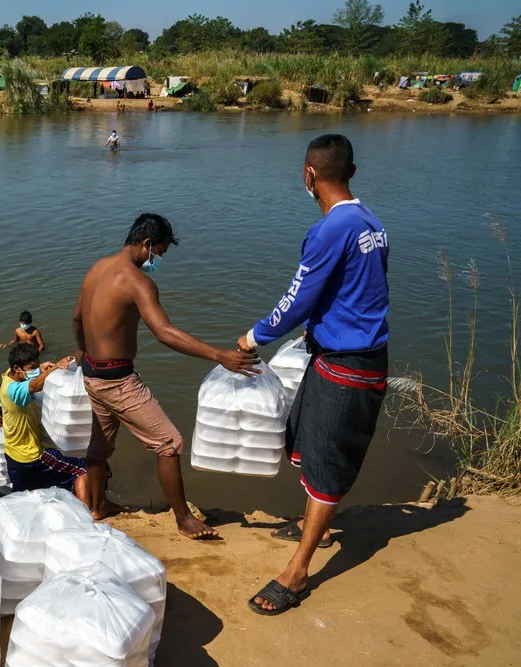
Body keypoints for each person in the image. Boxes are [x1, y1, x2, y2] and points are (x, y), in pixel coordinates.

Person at [238, 134, 389, 616]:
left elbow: (297, 298)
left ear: (310, 175)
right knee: (302, 441)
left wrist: (253, 337)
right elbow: (351, 292)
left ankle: (297, 573)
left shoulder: (329, 230)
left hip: (350, 365)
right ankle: (312, 529)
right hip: (337, 354)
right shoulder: (371, 223)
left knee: (325, 463)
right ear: (352, 171)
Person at [73, 213, 260, 540]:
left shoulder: (96, 269)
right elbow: (164, 333)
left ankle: (98, 506)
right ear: (146, 245)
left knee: (99, 449)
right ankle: (183, 519)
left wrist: (80, 354)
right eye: (158, 254)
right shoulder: (138, 281)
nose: (157, 261)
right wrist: (219, 355)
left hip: (91, 375)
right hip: (118, 381)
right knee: (169, 443)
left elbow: (76, 318)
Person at [0, 344, 88, 502]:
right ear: (16, 367)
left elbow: (29, 377)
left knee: (22, 497)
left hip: (12, 455)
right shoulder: (13, 390)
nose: (34, 370)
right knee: (82, 468)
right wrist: (53, 369)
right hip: (31, 455)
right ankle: (86, 514)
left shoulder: (7, 378)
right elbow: (34, 385)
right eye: (31, 367)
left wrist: (40, 367)